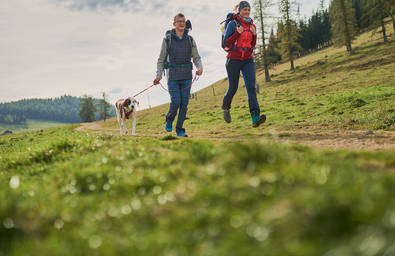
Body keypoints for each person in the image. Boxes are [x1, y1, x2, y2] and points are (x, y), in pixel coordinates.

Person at [154, 13, 203, 137]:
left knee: (184, 104)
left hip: (187, 76)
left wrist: (200, 67)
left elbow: (196, 57)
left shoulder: (190, 40)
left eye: (183, 21)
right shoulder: (167, 40)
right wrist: (158, 75)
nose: (182, 23)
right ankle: (169, 119)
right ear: (174, 24)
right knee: (176, 102)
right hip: (173, 77)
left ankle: (180, 129)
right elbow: (161, 59)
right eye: (179, 21)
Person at [222, 1, 266, 127]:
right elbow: (226, 43)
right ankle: (226, 107)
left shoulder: (252, 26)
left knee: (251, 87)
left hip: (248, 59)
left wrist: (255, 34)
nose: (247, 12)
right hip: (233, 59)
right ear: (239, 10)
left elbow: (252, 45)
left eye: (248, 10)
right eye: (244, 9)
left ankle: (255, 117)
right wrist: (237, 33)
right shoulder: (233, 24)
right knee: (233, 88)